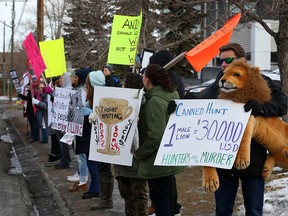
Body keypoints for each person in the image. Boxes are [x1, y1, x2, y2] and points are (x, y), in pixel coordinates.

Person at [188, 43, 287, 215]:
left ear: (241, 60)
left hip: (253, 160)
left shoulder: (258, 79)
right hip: (224, 161)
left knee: (254, 211)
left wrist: (262, 108)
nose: (224, 64)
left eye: (228, 60)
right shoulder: (218, 83)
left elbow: (282, 103)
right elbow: (201, 105)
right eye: (221, 61)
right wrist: (181, 107)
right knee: (223, 210)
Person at [134, 64, 186, 216]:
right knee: (167, 200)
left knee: (161, 201)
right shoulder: (169, 96)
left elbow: (155, 136)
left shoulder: (155, 101)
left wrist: (139, 153)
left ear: (147, 80)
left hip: (156, 162)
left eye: (143, 76)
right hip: (167, 159)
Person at [148, 49, 184, 215]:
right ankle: (171, 206)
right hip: (171, 131)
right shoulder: (175, 78)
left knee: (165, 180)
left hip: (167, 132)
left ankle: (170, 206)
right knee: (169, 177)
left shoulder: (170, 80)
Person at [114, 73, 148, 216]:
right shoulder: (117, 104)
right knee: (127, 196)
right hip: (120, 162)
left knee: (139, 196)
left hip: (135, 162)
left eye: (124, 83)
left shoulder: (144, 104)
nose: (122, 86)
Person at [68, 68, 94, 193]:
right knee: (81, 156)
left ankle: (83, 182)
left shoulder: (82, 92)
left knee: (82, 157)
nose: (73, 79)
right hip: (79, 127)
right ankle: (82, 180)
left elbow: (79, 111)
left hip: (82, 128)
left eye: (76, 78)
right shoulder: (79, 90)